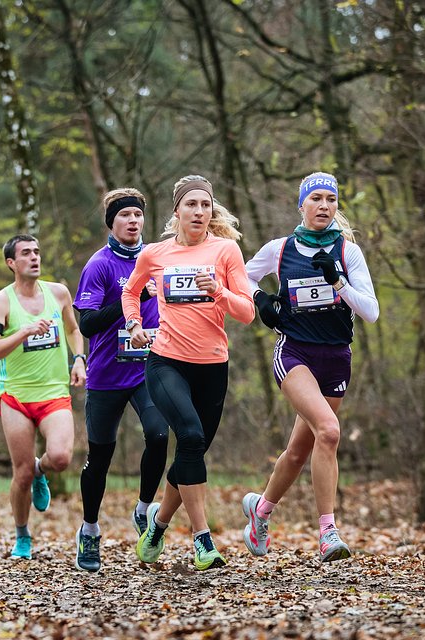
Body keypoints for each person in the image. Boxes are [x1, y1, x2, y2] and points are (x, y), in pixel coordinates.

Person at [241, 171, 379, 563]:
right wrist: (261, 299)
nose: (323, 206)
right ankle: (328, 532)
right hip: (295, 354)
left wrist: (338, 283)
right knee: (330, 431)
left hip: (336, 357)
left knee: (300, 450)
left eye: (330, 200)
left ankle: (261, 511)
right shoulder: (279, 250)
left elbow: (370, 312)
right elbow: (236, 278)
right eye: (315, 198)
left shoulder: (348, 252)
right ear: (301, 204)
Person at [122, 175, 255, 570]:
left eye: (205, 205)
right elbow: (131, 291)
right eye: (191, 204)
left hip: (213, 366)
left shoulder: (226, 251)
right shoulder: (155, 254)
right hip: (166, 361)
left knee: (192, 453)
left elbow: (247, 312)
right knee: (191, 436)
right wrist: (133, 325)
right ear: (176, 211)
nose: (199, 212)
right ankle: (202, 540)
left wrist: (219, 291)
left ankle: (158, 525)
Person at [71, 187, 168, 572]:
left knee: (160, 435)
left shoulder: (158, 260)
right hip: (107, 375)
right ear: (111, 222)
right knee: (100, 459)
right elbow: (88, 323)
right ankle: (90, 530)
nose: (133, 221)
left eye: (138, 215)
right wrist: (130, 295)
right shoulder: (99, 265)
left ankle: (144, 509)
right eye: (124, 215)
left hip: (148, 369)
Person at [0, 233, 86, 560]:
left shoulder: (58, 293)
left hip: (54, 392)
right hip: (15, 396)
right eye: (26, 253)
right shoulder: (1, 301)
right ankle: (22, 536)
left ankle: (43, 471)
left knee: (60, 458)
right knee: (21, 473)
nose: (34, 257)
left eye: (37, 252)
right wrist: (24, 331)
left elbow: (72, 329)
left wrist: (78, 358)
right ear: (11, 262)